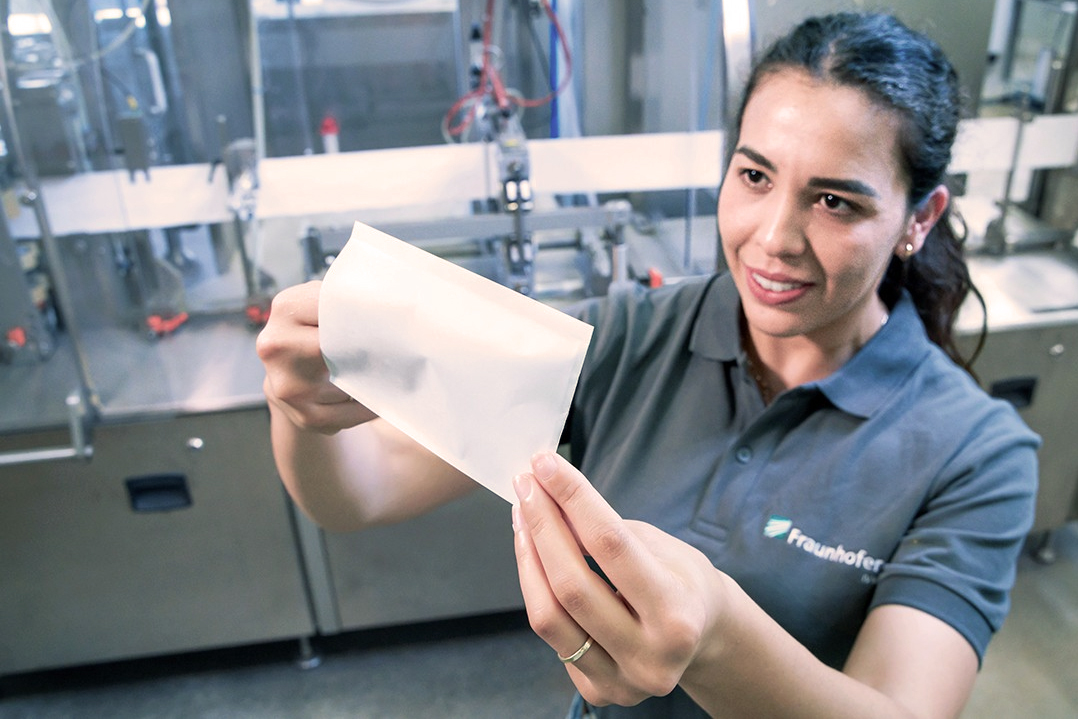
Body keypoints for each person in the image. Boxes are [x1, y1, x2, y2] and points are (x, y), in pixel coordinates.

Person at [256, 12, 1039, 719]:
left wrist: (717, 631)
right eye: (755, 175)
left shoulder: (974, 454)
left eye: (835, 201)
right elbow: (360, 492)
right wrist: (305, 406)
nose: (774, 237)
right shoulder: (628, 336)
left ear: (918, 218)